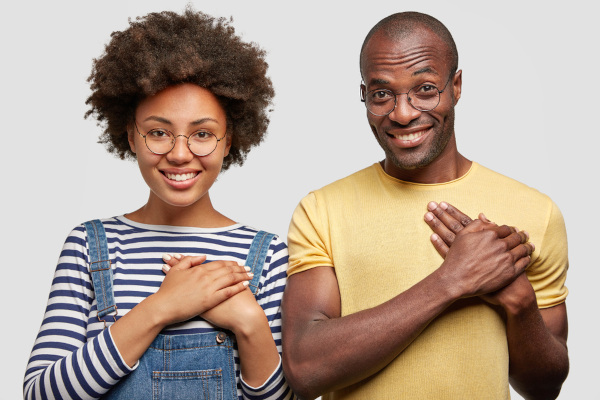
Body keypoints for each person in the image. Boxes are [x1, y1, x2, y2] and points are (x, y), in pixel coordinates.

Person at [282, 11, 568, 400]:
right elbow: (305, 370)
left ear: (457, 86)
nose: (402, 113)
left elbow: (545, 387)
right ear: (364, 95)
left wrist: (519, 302)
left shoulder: (536, 211)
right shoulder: (321, 211)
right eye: (383, 94)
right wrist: (451, 281)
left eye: (425, 89)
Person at [24, 8, 293, 400]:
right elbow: (40, 394)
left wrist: (250, 323)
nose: (180, 154)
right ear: (131, 136)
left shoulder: (267, 256)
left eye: (202, 133)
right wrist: (162, 307)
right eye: (158, 132)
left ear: (230, 140)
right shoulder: (88, 246)